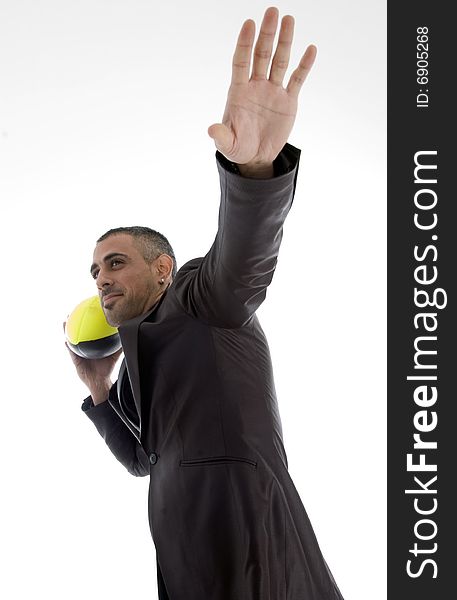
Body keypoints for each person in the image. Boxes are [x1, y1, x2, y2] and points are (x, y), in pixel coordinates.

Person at [66, 7, 345, 600]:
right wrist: (98, 391)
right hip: (182, 549)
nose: (102, 279)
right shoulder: (142, 354)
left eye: (116, 262)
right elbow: (146, 461)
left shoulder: (201, 298)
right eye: (95, 271)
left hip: (246, 536)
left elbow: (246, 257)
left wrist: (253, 170)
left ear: (163, 269)